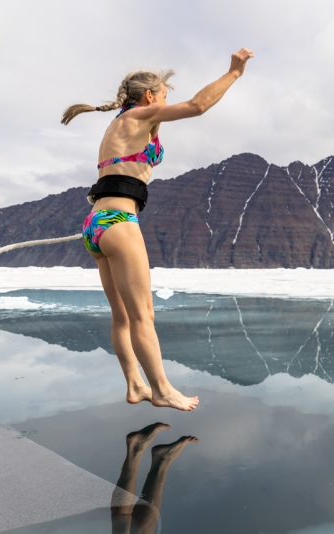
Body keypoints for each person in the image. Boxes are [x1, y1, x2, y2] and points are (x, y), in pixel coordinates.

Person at [61, 48, 254, 411]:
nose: (167, 103)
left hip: (96, 226)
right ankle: (161, 389)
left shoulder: (123, 122)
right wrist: (234, 74)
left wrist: (158, 120)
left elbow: (149, 137)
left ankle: (135, 384)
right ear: (149, 97)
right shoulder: (139, 115)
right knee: (143, 315)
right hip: (120, 224)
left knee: (122, 316)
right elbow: (198, 106)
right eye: (165, 95)